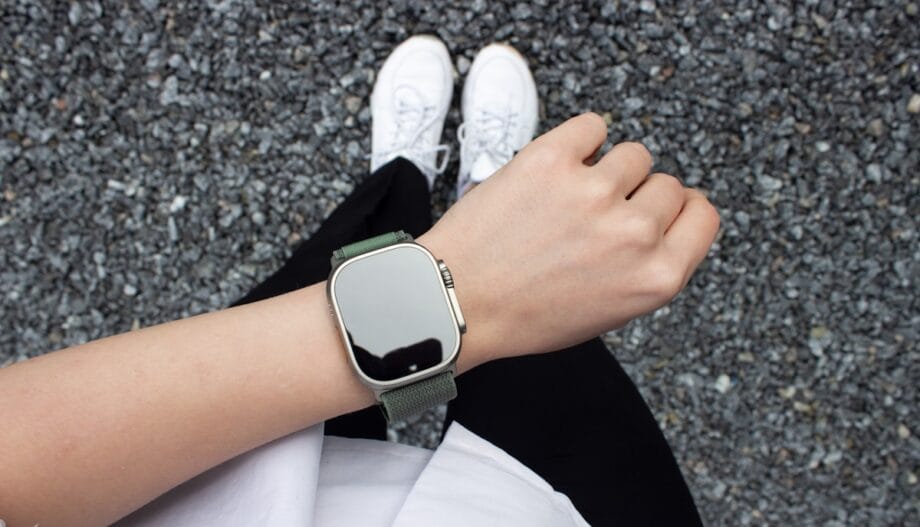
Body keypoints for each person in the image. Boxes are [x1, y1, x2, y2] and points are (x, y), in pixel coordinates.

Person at [0, 36, 719, 526]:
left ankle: (414, 181)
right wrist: (477, 293)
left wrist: (465, 283)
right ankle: (489, 197)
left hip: (227, 478)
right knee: (557, 353)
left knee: (339, 262)